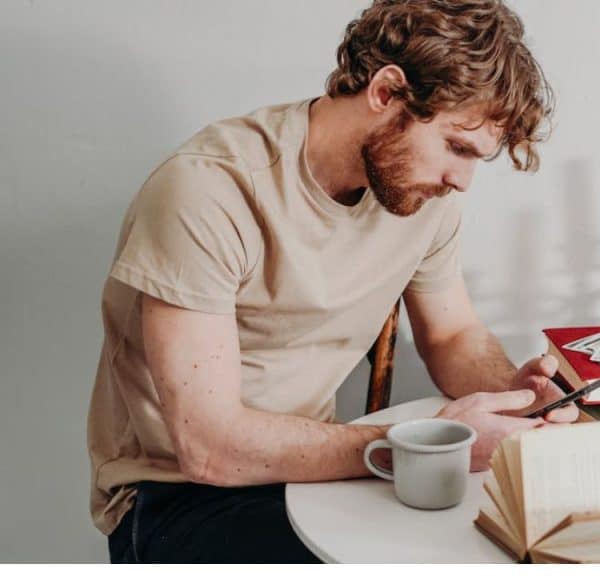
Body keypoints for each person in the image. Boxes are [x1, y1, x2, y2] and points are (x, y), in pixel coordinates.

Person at [87, 0, 574, 563]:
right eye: (456, 147)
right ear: (386, 92)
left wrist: (514, 393)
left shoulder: (421, 197)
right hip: (179, 496)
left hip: (317, 475)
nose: (460, 180)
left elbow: (452, 336)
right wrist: (413, 447)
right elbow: (208, 448)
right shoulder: (209, 190)